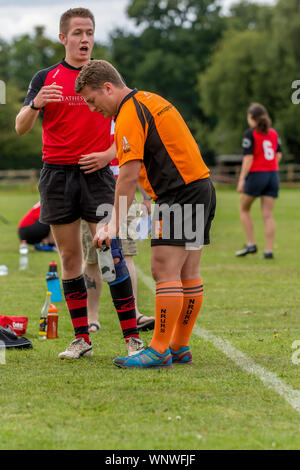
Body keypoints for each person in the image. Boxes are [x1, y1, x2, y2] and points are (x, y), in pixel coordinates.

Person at [15, 8, 143, 359]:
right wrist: (35, 104)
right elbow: (20, 127)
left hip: (97, 175)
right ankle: (82, 338)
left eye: (89, 32)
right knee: (69, 257)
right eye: (77, 33)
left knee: (110, 252)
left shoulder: (105, 76)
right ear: (63, 38)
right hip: (56, 175)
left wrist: (106, 156)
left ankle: (132, 337)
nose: (84, 39)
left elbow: (131, 129)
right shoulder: (46, 77)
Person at [75, 59, 216, 369]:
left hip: (177, 194)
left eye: (92, 100)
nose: (92, 108)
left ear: (108, 88)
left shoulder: (128, 114)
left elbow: (127, 176)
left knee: (163, 271)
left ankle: (159, 349)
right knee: (188, 273)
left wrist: (113, 225)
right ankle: (179, 346)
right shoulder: (150, 99)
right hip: (200, 187)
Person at [236, 103, 282, 259]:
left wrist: (242, 179)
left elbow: (248, 158)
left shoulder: (250, 134)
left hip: (257, 175)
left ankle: (251, 244)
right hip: (273, 175)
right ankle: (268, 251)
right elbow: (278, 155)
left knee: (244, 209)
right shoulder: (274, 134)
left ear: (251, 117)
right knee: (268, 215)